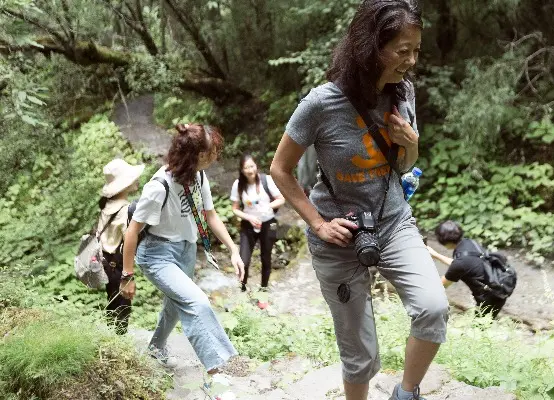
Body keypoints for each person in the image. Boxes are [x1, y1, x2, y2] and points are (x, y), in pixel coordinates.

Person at [270, 2, 448, 400]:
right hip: (338, 236)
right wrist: (317, 223)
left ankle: (406, 392)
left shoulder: (404, 94)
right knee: (360, 354)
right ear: (371, 46)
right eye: (403, 50)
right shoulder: (320, 103)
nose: (411, 61)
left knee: (433, 308)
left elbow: (403, 167)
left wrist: (413, 146)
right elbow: (280, 169)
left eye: (416, 50)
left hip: (392, 222)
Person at [121, 123, 244, 399]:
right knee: (197, 302)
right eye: (212, 151)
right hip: (157, 255)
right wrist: (127, 275)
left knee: (175, 306)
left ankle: (155, 347)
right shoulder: (159, 186)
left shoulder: (198, 177)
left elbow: (210, 215)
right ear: (197, 154)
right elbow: (132, 232)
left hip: (186, 250)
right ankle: (218, 376)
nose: (216, 156)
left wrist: (234, 249)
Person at [230, 153, 285, 305]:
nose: (250, 170)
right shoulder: (238, 185)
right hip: (248, 225)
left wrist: (266, 207)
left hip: (267, 223)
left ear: (256, 166)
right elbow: (235, 208)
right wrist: (249, 218)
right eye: (246, 167)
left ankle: (263, 294)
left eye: (252, 166)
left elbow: (281, 199)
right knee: (244, 261)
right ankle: (242, 291)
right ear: (241, 170)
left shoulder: (266, 180)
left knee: (266, 259)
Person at [98, 158, 144, 335]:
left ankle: (111, 338)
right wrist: (128, 275)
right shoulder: (126, 210)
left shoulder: (107, 205)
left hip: (106, 262)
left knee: (112, 301)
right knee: (123, 306)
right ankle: (118, 343)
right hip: (118, 266)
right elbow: (128, 242)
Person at [427, 220, 507, 318]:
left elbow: (440, 287)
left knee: (479, 326)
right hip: (499, 283)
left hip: (491, 297)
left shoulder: (460, 264)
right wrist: (435, 255)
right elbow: (464, 265)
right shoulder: (469, 242)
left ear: (442, 241)